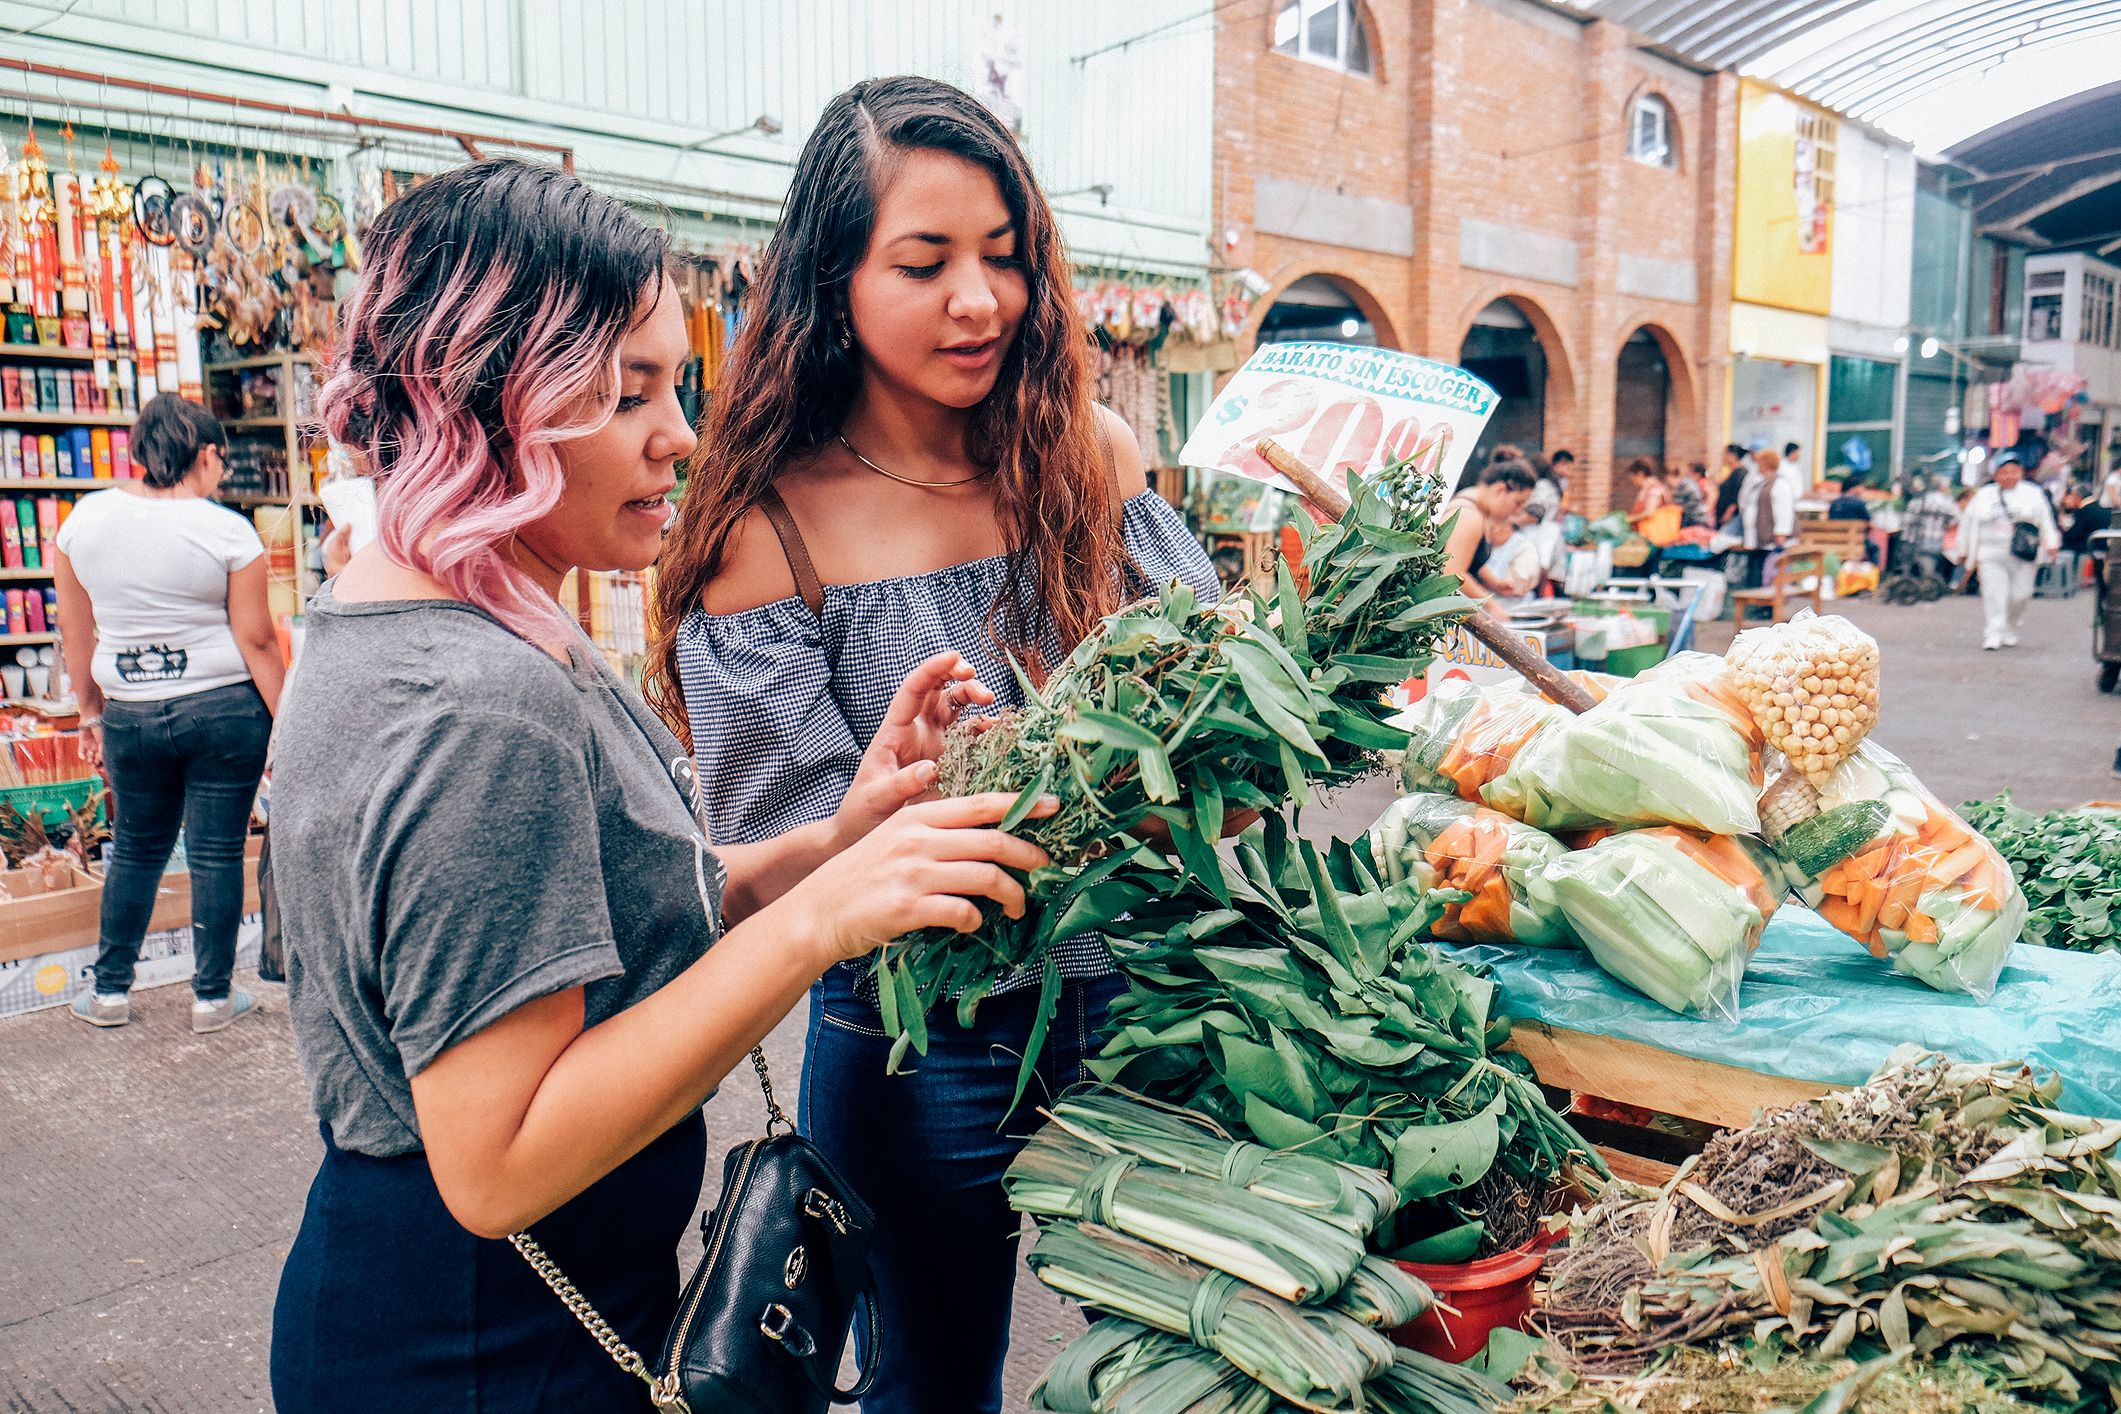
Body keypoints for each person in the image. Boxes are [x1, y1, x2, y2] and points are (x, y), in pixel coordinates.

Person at [266, 160, 1054, 1413]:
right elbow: (497, 1160)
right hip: (483, 1348)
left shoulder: (438, 611)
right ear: (488, 398)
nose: (679, 433)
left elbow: (610, 913)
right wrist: (820, 926)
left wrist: (840, 845)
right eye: (626, 390)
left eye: (674, 384)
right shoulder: (478, 703)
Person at [641, 79, 1221, 1414]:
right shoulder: (764, 531)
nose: (981, 298)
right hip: (918, 1047)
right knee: (932, 1387)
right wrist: (939, 796)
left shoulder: (1090, 451)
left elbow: (1210, 728)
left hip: (1146, 999)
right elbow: (784, 866)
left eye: (1005, 256)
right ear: (830, 277)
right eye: (926, 262)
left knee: (1188, 1366)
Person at [53, 395, 281, 1033]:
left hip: (130, 712)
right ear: (206, 454)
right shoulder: (227, 529)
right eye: (221, 461)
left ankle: (109, 992)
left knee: (135, 849)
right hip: (225, 711)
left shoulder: (82, 522)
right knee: (215, 852)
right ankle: (211, 999)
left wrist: (91, 715)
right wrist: (286, 723)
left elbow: (77, 633)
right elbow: (257, 640)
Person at [1959, 453, 2061, 650]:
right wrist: (1963, 549)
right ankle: (1993, 632)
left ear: (2021, 473)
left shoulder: (2033, 493)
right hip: (1990, 553)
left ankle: (2010, 626)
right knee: (1994, 594)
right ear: (1996, 475)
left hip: (2023, 554)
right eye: (2003, 472)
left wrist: (2051, 542)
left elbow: (2046, 520)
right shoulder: (1984, 495)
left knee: (2020, 594)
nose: (2008, 476)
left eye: (2013, 471)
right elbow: (1967, 523)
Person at [1443, 458, 1538, 601]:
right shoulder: (1469, 516)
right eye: (1517, 503)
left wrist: (1494, 583)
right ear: (1500, 490)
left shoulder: (1474, 506)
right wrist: (1491, 605)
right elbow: (1452, 574)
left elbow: (1466, 559)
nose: (1516, 511)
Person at [1738, 447, 1797, 588]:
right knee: (1757, 573)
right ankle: (1757, 604)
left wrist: (1781, 532)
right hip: (1758, 539)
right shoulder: (1761, 482)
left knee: (1769, 573)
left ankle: (1767, 607)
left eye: (1759, 462)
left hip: (1770, 540)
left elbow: (1784, 510)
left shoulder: (1780, 484)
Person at [1712, 443, 1750, 530]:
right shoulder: (1732, 472)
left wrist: (1728, 514)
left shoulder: (1740, 473)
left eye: (1725, 454)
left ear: (1732, 455)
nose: (1723, 457)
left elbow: (1736, 496)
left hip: (1732, 518)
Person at [1669, 462, 1711, 530]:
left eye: (1689, 470)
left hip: (1694, 520)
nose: (1687, 472)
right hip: (1701, 518)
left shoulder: (1686, 484)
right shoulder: (1692, 483)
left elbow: (1674, 503)